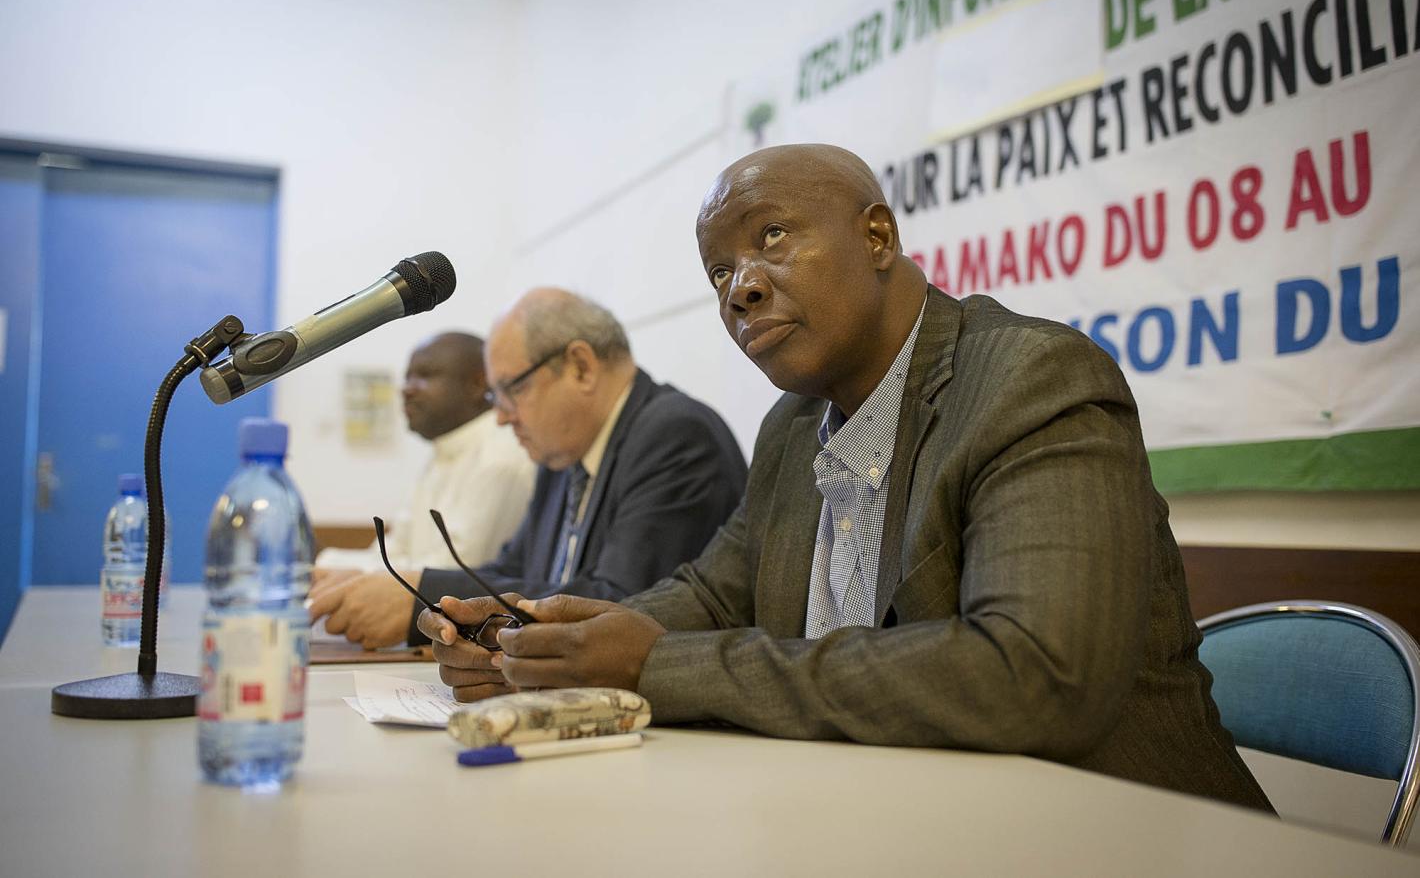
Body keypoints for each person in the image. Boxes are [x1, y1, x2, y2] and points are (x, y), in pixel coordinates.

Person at [420, 144, 1274, 811]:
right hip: (891, 820)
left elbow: (1034, 676)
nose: (740, 288)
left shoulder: (1031, 378)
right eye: (719, 272)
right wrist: (542, 645)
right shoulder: (793, 426)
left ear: (877, 237)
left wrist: (658, 668)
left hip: (1114, 829)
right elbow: (712, 596)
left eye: (771, 237)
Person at [326, 287, 748, 649]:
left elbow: (622, 605)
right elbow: (514, 571)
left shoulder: (675, 434)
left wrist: (421, 596)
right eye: (495, 397)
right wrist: (419, 591)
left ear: (581, 367)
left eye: (512, 390)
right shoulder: (563, 453)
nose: (500, 417)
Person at [310, 332, 535, 648]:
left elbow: (451, 578)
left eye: (425, 376)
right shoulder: (442, 455)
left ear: (477, 383)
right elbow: (396, 554)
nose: (407, 389)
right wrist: (321, 566)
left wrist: (333, 574)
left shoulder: (501, 458)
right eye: (407, 377)